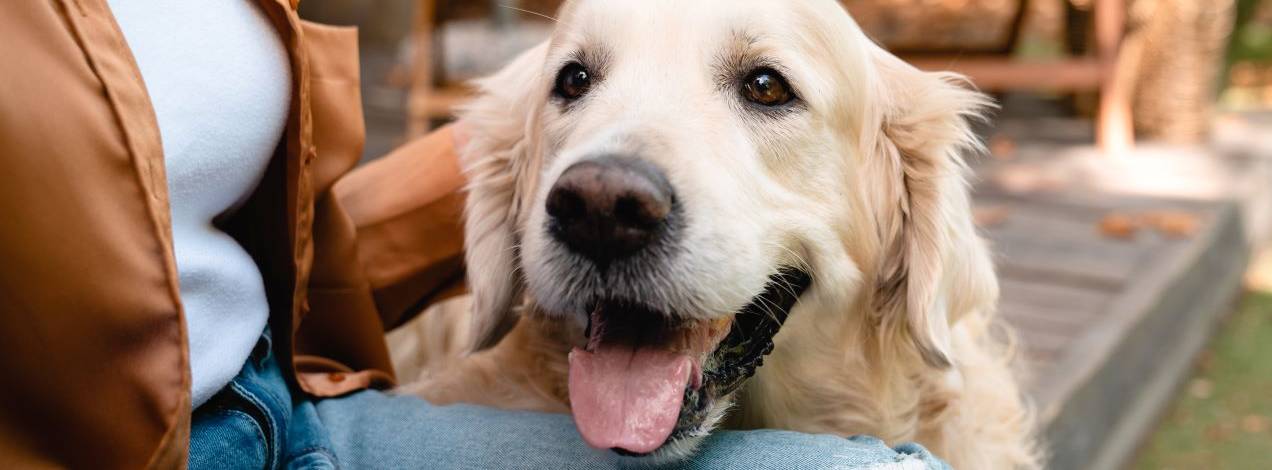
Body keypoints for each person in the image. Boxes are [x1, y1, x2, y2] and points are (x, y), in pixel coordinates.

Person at [0, 1, 952, 468]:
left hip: (278, 417)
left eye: (764, 87)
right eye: (577, 83)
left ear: (909, 217)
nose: (604, 190)